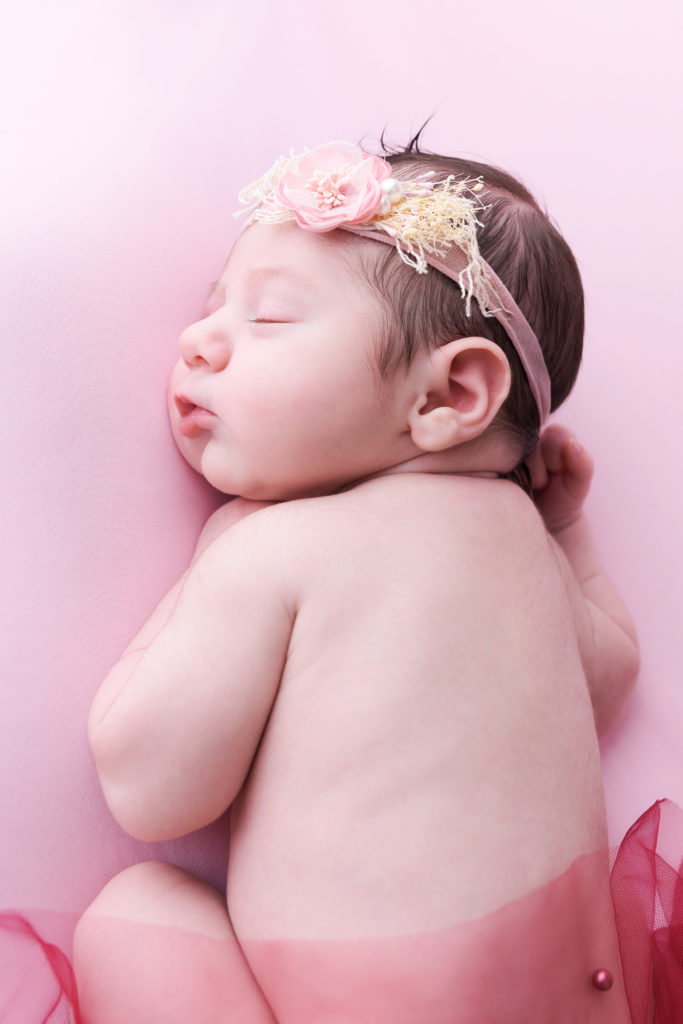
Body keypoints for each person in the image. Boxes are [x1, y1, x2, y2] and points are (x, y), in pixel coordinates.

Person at [72, 137, 643, 1023]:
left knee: (131, 912)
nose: (197, 341)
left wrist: (217, 558)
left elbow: (150, 793)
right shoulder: (522, 540)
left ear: (449, 396)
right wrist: (568, 534)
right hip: (579, 1003)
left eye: (269, 320)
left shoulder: (278, 547)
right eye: (212, 309)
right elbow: (604, 685)